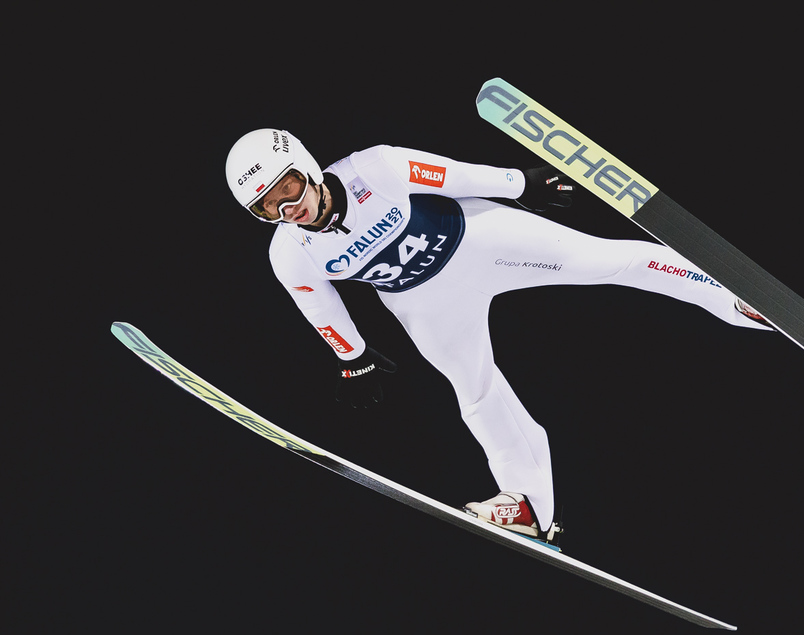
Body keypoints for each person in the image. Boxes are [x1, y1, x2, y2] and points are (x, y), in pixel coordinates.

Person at [225, 129, 771, 544]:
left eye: (288, 187)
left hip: (480, 239)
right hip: (424, 301)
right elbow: (318, 304)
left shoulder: (374, 168)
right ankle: (530, 506)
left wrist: (521, 184)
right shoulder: (289, 252)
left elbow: (450, 176)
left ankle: (733, 300)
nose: (287, 208)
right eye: (268, 206)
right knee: (477, 394)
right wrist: (354, 356)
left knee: (609, 260)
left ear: (306, 166)